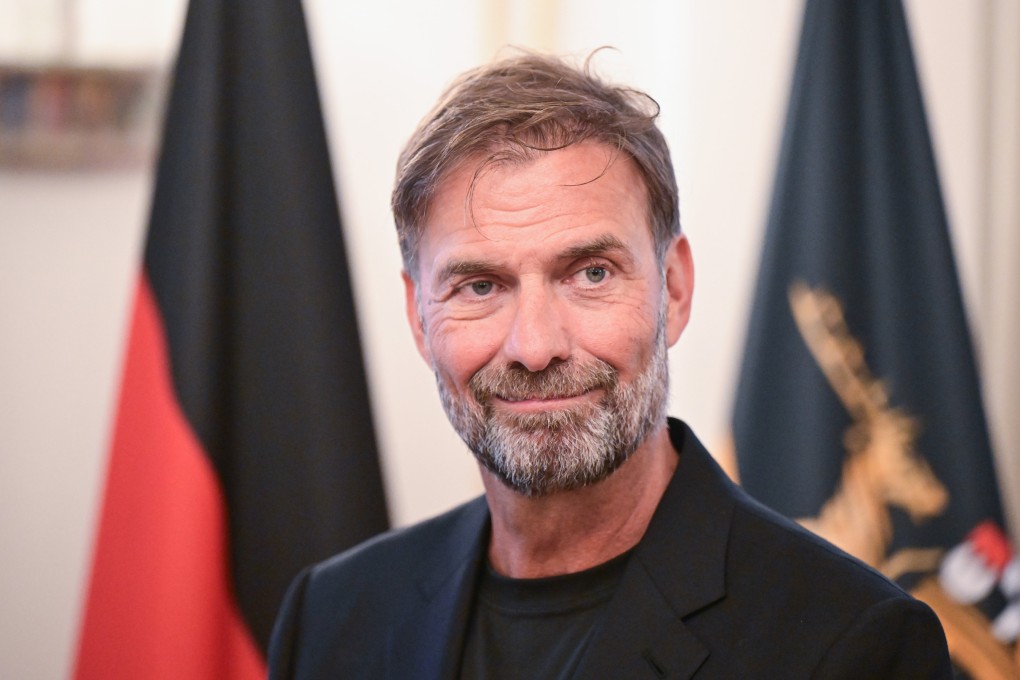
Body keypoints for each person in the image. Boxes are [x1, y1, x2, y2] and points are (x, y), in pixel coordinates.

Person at [268, 52, 952, 679]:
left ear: (674, 289)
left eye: (590, 274)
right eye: (480, 286)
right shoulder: (331, 615)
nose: (535, 347)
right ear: (420, 315)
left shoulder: (853, 643)